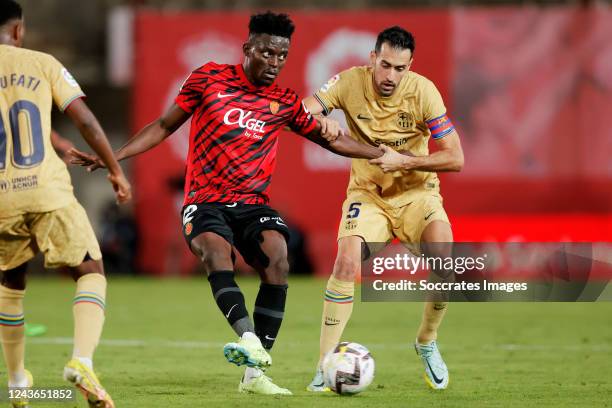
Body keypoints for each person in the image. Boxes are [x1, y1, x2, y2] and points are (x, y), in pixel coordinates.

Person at [70, 11, 382, 395]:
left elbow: (330, 140)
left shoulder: (284, 101)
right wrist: (113, 157)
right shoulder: (209, 78)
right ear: (248, 47)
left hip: (252, 203)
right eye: (267, 53)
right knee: (218, 255)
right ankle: (248, 338)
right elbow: (165, 125)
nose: (275, 62)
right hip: (205, 200)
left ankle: (255, 375)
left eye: (282, 56)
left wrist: (380, 153)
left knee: (279, 257)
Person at [304, 26, 464, 391]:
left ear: (410, 67)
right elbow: (300, 112)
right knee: (345, 261)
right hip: (368, 195)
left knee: (446, 264)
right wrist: (320, 122)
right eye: (386, 65)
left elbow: (456, 158)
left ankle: (426, 341)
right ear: (373, 58)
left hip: (417, 195)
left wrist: (405, 162)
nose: (391, 76)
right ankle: (325, 365)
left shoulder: (423, 92)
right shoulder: (347, 82)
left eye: (400, 69)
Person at [0, 1, 131, 407]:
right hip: (45, 188)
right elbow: (87, 120)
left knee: (11, 283)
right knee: (90, 270)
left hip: (1, 197)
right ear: (18, 30)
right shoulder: (42, 63)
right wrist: (115, 170)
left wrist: (55, 140)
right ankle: (82, 361)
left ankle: (19, 383)